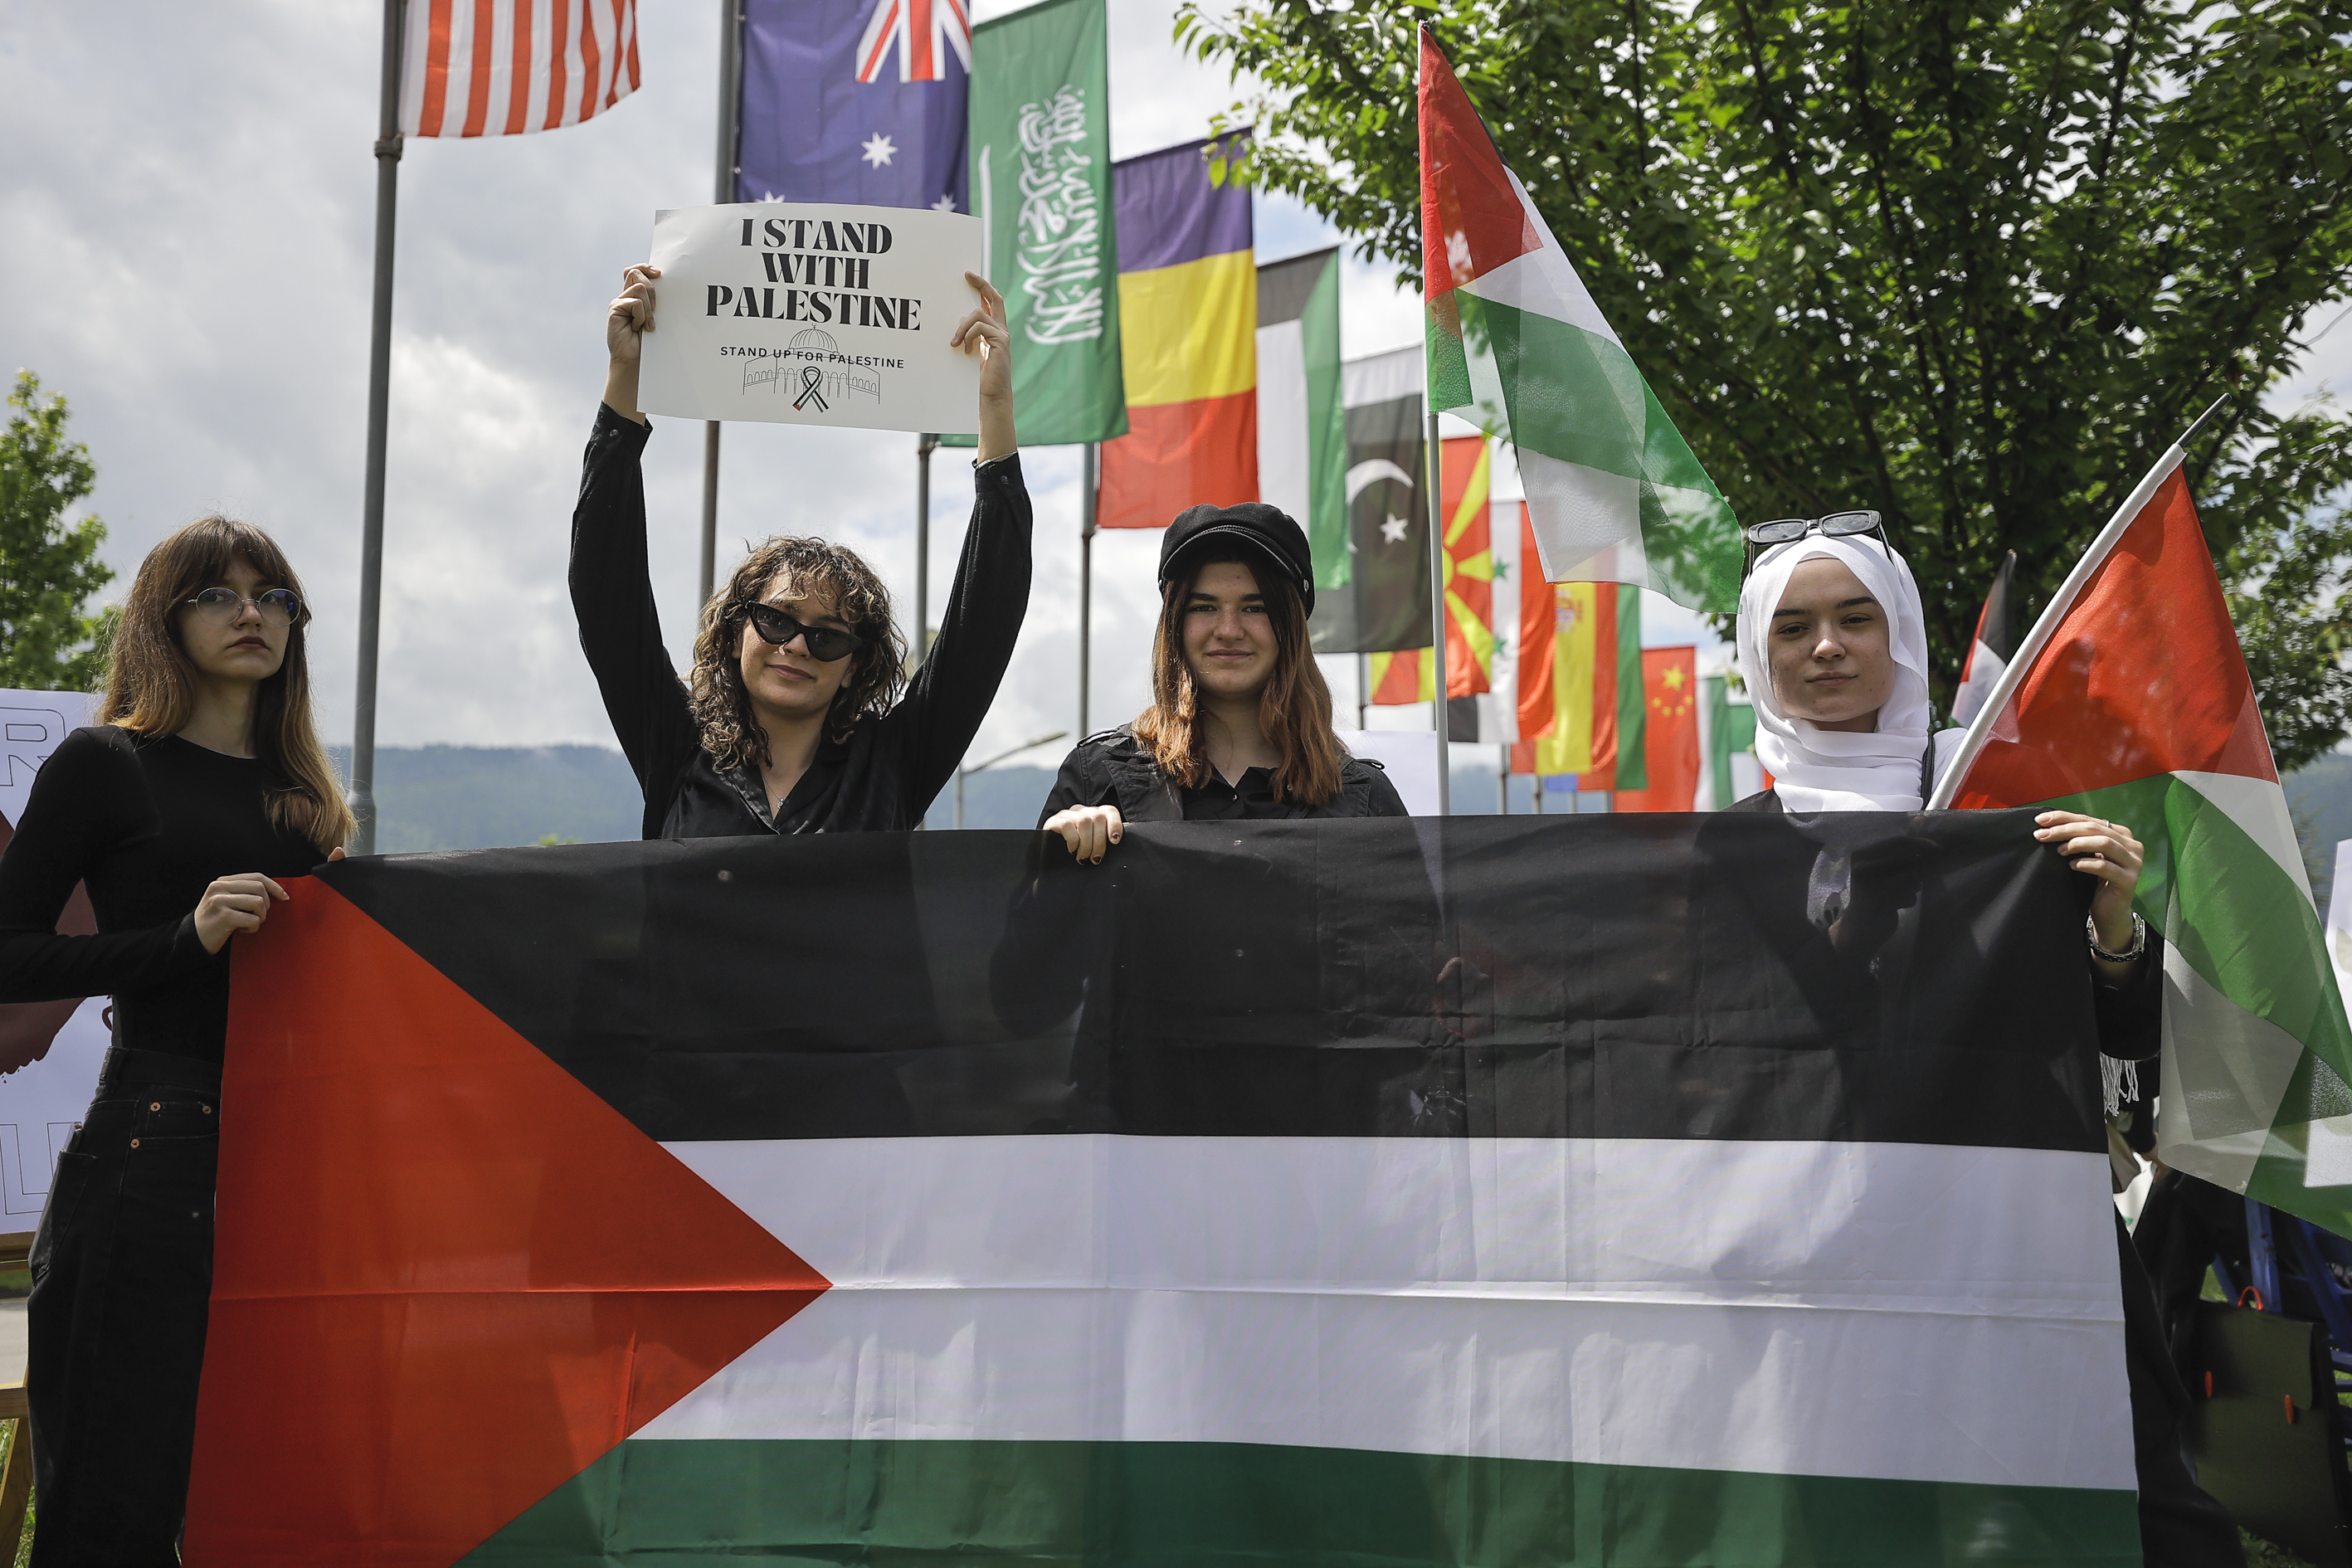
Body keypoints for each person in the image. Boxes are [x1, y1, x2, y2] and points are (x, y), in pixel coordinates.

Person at [1731, 513, 2242, 1568]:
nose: (1825, 647)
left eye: (1854, 619)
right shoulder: (1728, 848)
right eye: (1793, 628)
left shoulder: (2002, 818)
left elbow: (2130, 1064)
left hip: (2025, 1232)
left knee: (2130, 1512)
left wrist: (2111, 926)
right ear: (1757, 657)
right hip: (1828, 1257)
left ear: (1900, 639)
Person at [0, 517, 348, 1563]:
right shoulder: (106, 763)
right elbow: (10, 958)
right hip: (156, 1150)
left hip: (290, 1168)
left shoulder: (306, 803)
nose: (252, 613)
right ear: (165, 614)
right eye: (220, 594)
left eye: (274, 597)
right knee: (114, 1500)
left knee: (255, 1497)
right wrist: (178, 941)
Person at [576, 262, 1030, 837]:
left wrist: (994, 412)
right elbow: (605, 595)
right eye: (775, 619)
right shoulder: (677, 748)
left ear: (855, 666)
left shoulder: (894, 764)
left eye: (826, 635)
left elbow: (986, 621)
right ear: (737, 629)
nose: (795, 647)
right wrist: (627, 380)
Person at [1036, 502, 1405, 859]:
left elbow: (1413, 923)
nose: (1228, 630)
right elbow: (1029, 920)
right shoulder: (1099, 780)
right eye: (1204, 607)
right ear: (1175, 626)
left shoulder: (1363, 799)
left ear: (1290, 628)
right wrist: (1057, 860)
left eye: (1254, 608)